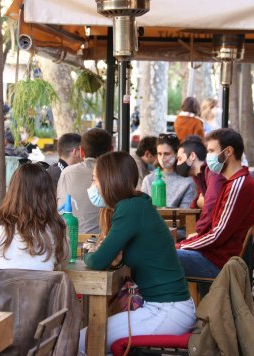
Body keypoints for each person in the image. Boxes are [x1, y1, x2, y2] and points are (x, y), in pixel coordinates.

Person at [80, 151, 195, 354]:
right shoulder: (138, 204)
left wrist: (87, 252)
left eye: (95, 180)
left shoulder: (129, 209)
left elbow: (97, 260)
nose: (92, 186)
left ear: (109, 181)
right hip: (167, 308)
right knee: (90, 338)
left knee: (84, 341)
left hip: (167, 311)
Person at [176, 128, 254, 279]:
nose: (208, 157)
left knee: (159, 256)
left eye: (211, 151)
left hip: (220, 263)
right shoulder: (232, 182)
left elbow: (216, 235)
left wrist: (181, 245)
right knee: (159, 255)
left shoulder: (238, 184)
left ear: (228, 152)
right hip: (218, 258)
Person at [0, 162, 70, 269]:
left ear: (12, 190)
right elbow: (64, 261)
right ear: (49, 194)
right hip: (42, 285)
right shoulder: (56, 225)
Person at [57, 128, 112, 234]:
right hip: (102, 243)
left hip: (70, 243)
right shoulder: (114, 175)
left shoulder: (67, 173)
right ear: (112, 150)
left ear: (81, 151)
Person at [175, 136, 224, 237]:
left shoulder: (212, 172)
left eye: (180, 159)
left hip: (217, 235)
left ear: (192, 156)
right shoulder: (198, 176)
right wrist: (197, 202)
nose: (178, 163)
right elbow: (202, 201)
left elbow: (211, 205)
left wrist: (197, 233)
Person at [141, 133, 196, 208]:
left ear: (177, 154)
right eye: (159, 154)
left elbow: (186, 214)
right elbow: (142, 209)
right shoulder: (148, 180)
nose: (162, 158)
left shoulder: (187, 182)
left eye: (167, 154)